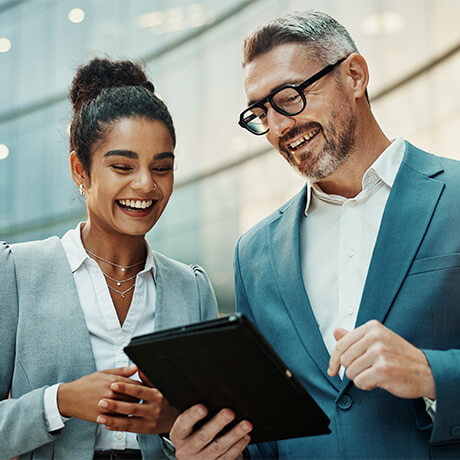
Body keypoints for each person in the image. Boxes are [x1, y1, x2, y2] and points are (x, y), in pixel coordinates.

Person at [170, 10, 460, 459]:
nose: (280, 126)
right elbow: (267, 430)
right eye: (261, 112)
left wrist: (430, 373)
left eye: (289, 96)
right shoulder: (254, 254)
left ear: (355, 75)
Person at [0, 57, 226, 459]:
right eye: (122, 166)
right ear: (80, 170)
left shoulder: (191, 287)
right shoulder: (16, 272)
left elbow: (211, 429)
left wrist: (171, 423)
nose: (145, 184)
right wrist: (58, 402)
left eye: (162, 167)